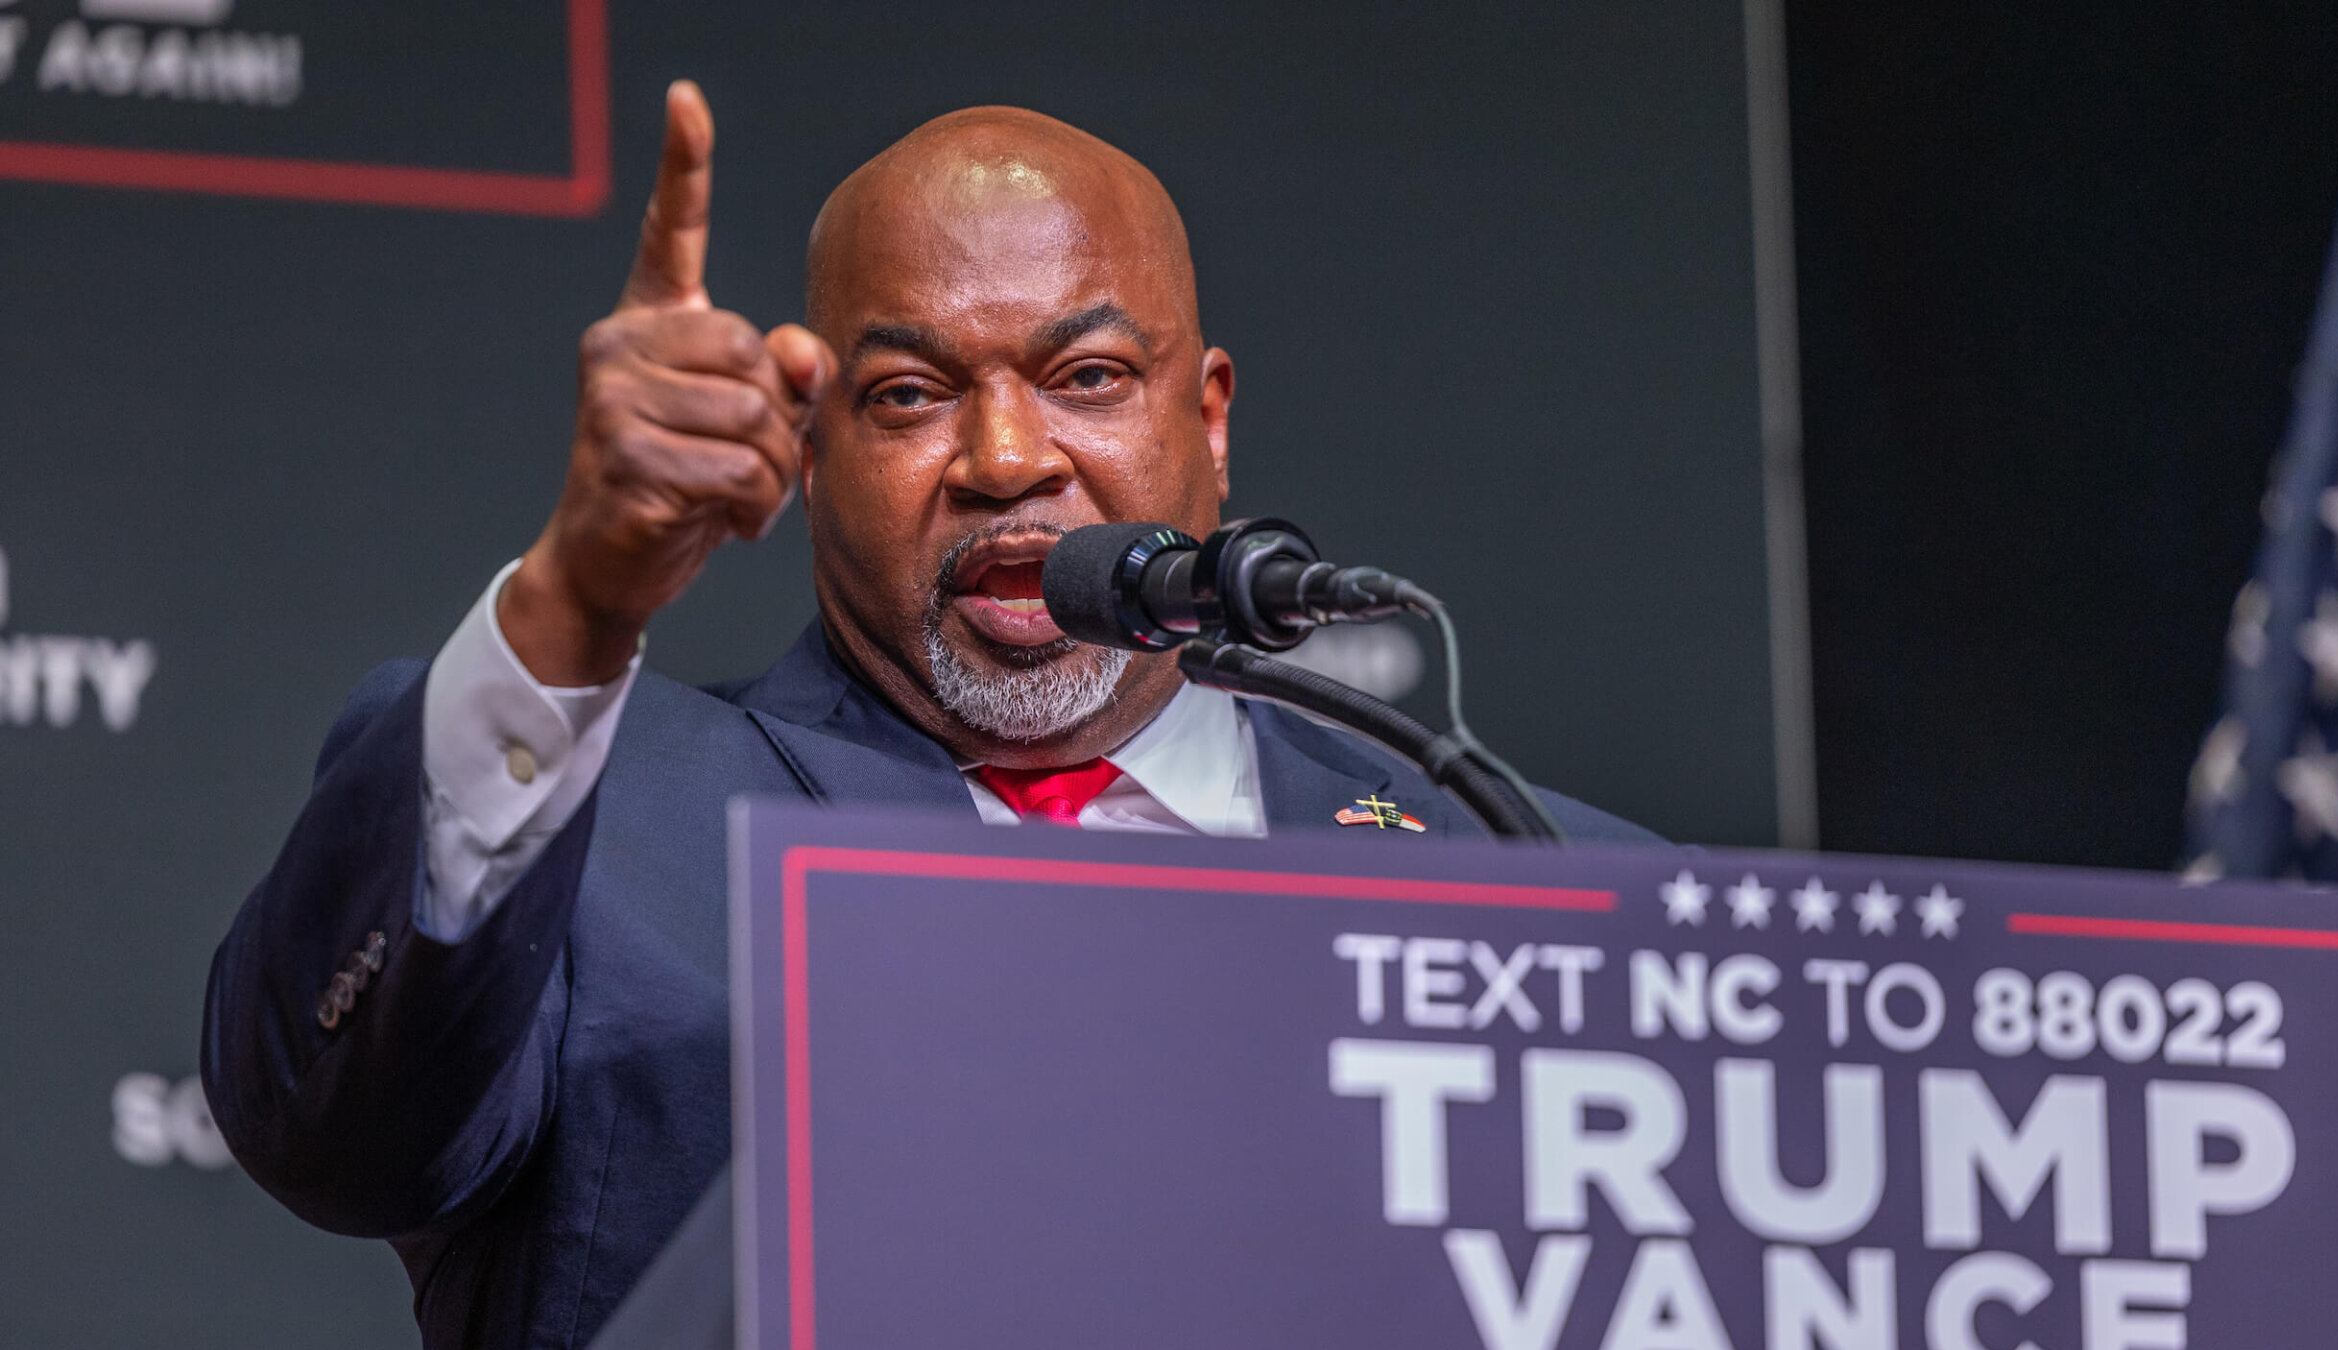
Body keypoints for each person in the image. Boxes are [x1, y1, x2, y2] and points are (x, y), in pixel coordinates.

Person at [202, 82, 1660, 1350]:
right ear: (815, 450)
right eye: (909, 395)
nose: (1007, 457)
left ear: (1207, 421)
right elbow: (330, 1130)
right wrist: (575, 601)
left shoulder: (1532, 888)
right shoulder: (593, 830)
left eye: (1088, 377)